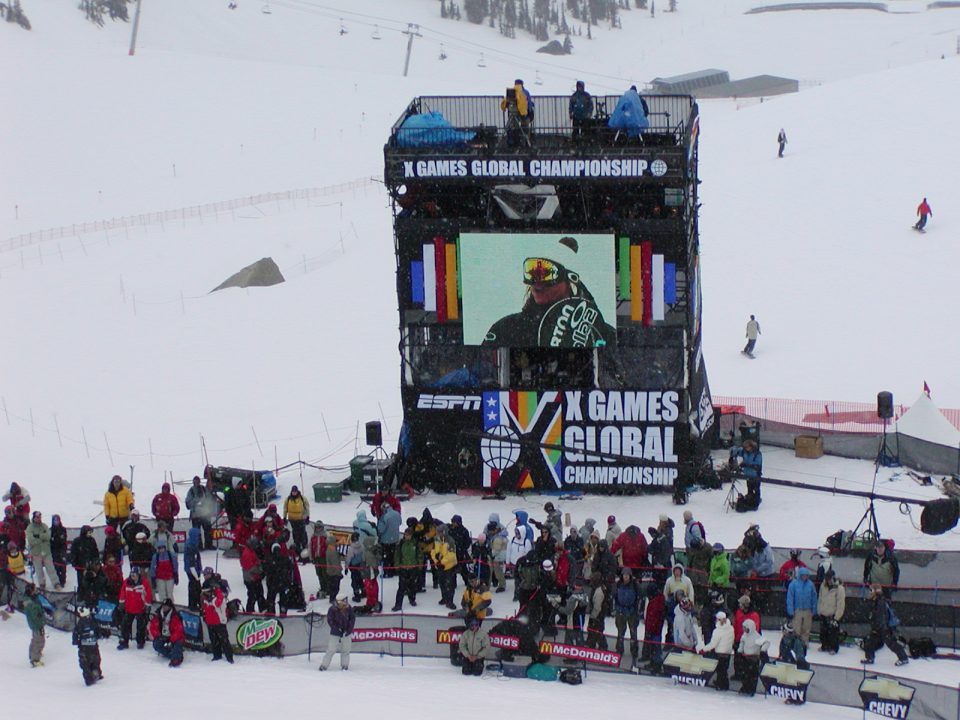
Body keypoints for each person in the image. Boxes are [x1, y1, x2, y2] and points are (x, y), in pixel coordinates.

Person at [481, 236, 616, 347]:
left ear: (570, 279)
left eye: (548, 274)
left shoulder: (599, 331)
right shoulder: (506, 329)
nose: (537, 282)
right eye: (532, 272)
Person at [861, 583, 908, 666]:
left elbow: (881, 618)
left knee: (892, 644)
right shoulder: (876, 601)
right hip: (880, 628)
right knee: (869, 642)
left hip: (884, 629)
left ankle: (903, 658)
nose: (869, 592)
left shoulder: (880, 603)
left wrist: (878, 628)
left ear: (876, 592)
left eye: (871, 590)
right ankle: (869, 658)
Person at [319, 592, 356, 671]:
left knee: (346, 650)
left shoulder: (349, 608)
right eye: (344, 600)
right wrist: (337, 628)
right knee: (331, 649)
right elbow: (330, 620)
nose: (346, 602)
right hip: (335, 633)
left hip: (346, 633)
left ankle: (345, 665)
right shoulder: (332, 609)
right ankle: (324, 665)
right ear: (339, 601)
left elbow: (352, 620)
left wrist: (348, 630)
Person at [117, 567, 152, 650]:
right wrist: (121, 603)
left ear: (138, 575)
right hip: (129, 609)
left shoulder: (144, 583)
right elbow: (122, 593)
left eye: (135, 575)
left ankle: (140, 642)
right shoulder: (126, 582)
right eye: (132, 574)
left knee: (140, 627)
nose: (133, 576)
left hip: (140, 608)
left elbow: (148, 595)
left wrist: (147, 606)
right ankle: (124, 642)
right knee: (125, 625)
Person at [25, 511, 59, 591]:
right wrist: (41, 539)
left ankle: (56, 583)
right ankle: (42, 584)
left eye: (40, 517)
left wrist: (38, 536)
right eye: (37, 517)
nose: (39, 519)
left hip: (46, 552)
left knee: (51, 568)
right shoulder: (30, 528)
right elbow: (31, 540)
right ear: (33, 518)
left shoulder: (44, 526)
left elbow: (48, 536)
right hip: (36, 553)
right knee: (39, 570)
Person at [613, 567, 642, 660]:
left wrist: (635, 609)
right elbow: (615, 597)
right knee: (620, 632)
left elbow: (638, 598)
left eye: (627, 575)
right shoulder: (618, 584)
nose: (625, 577)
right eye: (624, 575)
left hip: (632, 611)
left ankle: (634, 651)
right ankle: (619, 649)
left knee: (633, 632)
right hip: (620, 610)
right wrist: (617, 608)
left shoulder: (635, 585)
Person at [72, 605, 105, 685]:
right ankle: (96, 673)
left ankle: (89, 678)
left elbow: (75, 634)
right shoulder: (93, 621)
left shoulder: (80, 623)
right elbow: (98, 632)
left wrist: (76, 641)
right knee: (95, 660)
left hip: (85, 647)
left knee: (85, 663)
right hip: (93, 646)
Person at [392, 527, 422, 611]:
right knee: (401, 587)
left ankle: (412, 599)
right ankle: (398, 604)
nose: (406, 536)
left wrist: (419, 564)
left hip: (413, 568)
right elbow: (397, 555)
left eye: (408, 535)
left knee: (412, 585)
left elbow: (419, 554)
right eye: (405, 535)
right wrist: (397, 565)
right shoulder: (401, 543)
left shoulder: (415, 543)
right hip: (403, 568)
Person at [201, 584, 234, 663]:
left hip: (219, 622)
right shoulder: (205, 598)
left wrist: (215, 593)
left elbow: (217, 603)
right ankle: (217, 656)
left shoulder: (219, 596)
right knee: (214, 641)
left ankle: (229, 658)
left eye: (207, 592)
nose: (205, 594)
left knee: (224, 641)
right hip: (210, 623)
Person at [702, 610, 734, 690]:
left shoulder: (718, 631)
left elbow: (713, 644)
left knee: (720, 671)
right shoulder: (731, 628)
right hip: (728, 653)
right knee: (724, 670)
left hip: (720, 653)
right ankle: (724, 684)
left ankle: (721, 685)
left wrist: (704, 649)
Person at [785, 566, 817, 645]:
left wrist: (814, 609)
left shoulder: (810, 585)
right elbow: (790, 598)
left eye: (806, 575)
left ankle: (804, 643)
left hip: (808, 610)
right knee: (796, 629)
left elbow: (814, 597)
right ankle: (796, 644)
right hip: (797, 610)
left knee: (806, 629)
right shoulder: (793, 584)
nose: (804, 577)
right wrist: (791, 610)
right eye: (803, 575)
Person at [737, 618, 769, 696]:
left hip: (754, 659)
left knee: (752, 676)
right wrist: (740, 650)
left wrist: (762, 650)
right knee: (744, 675)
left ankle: (751, 689)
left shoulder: (757, 636)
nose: (743, 629)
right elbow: (742, 643)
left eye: (745, 627)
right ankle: (745, 687)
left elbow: (767, 643)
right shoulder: (744, 636)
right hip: (745, 658)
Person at [150, 599, 185, 667]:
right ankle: (172, 654)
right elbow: (153, 627)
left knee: (178, 642)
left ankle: (176, 658)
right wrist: (158, 635)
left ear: (170, 607)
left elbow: (179, 630)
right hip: (162, 636)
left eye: (166, 606)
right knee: (156, 644)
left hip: (174, 636)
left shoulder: (176, 616)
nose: (164, 608)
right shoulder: (158, 614)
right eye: (163, 606)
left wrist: (172, 640)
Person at [816, 570, 845, 654]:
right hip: (823, 612)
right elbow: (820, 598)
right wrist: (819, 610)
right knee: (823, 632)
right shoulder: (823, 585)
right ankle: (824, 645)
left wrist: (837, 617)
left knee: (833, 633)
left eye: (830, 579)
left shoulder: (840, 589)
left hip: (832, 614)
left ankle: (834, 648)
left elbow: (841, 604)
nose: (828, 581)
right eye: (827, 579)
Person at [185, 475, 217, 550]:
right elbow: (188, 503)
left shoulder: (204, 489)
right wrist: (197, 501)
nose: (196, 483)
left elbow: (209, 499)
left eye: (197, 481)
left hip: (205, 514)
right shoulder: (191, 491)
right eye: (195, 482)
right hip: (195, 515)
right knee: (196, 532)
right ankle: (198, 546)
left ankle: (208, 545)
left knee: (208, 530)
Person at [733, 439, 763, 510]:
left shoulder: (757, 454)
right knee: (749, 488)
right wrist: (734, 451)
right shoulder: (744, 452)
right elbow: (737, 451)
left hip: (755, 475)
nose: (746, 449)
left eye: (747, 447)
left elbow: (757, 464)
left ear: (751, 446)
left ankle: (756, 502)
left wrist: (746, 465)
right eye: (745, 447)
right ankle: (750, 500)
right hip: (747, 474)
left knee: (756, 489)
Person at [68, 525, 100, 590]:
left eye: (91, 532)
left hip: (91, 565)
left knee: (92, 581)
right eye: (89, 532)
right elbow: (73, 553)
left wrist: (96, 561)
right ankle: (81, 594)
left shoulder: (92, 540)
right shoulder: (77, 541)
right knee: (81, 582)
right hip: (80, 566)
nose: (90, 534)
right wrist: (74, 562)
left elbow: (95, 551)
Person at [282, 486, 310, 557]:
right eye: (293, 491)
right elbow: (285, 509)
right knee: (295, 535)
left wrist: (307, 516)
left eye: (295, 491)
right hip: (292, 520)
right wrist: (284, 517)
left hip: (301, 519)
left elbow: (307, 507)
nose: (294, 493)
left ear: (297, 491)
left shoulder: (302, 498)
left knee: (303, 534)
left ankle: (304, 550)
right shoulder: (288, 499)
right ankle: (298, 550)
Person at [240, 537, 266, 613]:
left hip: (253, 577)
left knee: (258, 593)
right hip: (251, 578)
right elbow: (250, 568)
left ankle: (262, 608)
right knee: (253, 595)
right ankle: (250, 610)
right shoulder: (247, 553)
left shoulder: (250, 551)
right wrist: (260, 568)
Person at [378, 502, 402, 578]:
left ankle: (387, 572)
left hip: (386, 540)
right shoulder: (397, 514)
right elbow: (400, 523)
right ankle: (394, 570)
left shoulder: (384, 517)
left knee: (386, 557)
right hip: (395, 538)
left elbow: (381, 529)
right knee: (394, 556)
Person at [24, 584, 46, 667]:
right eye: (35, 589)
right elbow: (34, 613)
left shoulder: (32, 598)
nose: (36, 590)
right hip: (36, 624)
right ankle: (35, 659)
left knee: (35, 639)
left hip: (35, 624)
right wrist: (40, 616)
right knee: (39, 640)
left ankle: (32, 653)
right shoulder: (30, 602)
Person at [184, 527, 203, 610]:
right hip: (192, 571)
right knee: (195, 588)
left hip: (192, 569)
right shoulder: (191, 546)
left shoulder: (191, 543)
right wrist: (197, 576)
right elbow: (192, 563)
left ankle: (194, 604)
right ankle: (193, 605)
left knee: (194, 587)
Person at [50, 514, 68, 589]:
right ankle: (58, 580)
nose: (56, 522)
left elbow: (64, 540)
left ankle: (63, 580)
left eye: (57, 520)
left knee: (63, 566)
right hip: (54, 550)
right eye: (55, 520)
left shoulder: (63, 529)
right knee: (56, 567)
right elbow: (50, 541)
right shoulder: (51, 530)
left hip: (62, 549)